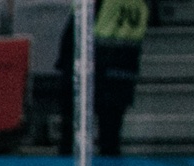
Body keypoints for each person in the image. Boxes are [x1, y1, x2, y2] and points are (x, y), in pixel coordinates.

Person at [61, 0, 147, 157]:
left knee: (72, 138)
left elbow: (74, 32)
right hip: (125, 70)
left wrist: (65, 68)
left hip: (96, 71)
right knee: (111, 140)